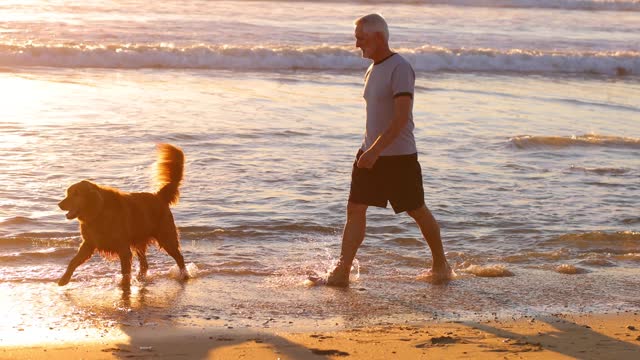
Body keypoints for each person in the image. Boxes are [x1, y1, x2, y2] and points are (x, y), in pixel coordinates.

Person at [326, 13, 452, 287]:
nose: (357, 44)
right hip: (369, 152)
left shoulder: (400, 67)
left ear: (378, 37)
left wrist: (375, 151)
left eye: (361, 38)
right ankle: (342, 270)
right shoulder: (372, 68)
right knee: (355, 208)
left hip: (398, 157)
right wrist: (367, 151)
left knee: (417, 210)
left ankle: (441, 265)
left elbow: (401, 118)